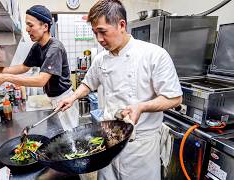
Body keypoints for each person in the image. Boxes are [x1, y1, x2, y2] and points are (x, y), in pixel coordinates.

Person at [56, 0, 183, 179]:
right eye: (95, 33)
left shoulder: (154, 55)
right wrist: (73, 97)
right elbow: (88, 83)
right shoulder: (101, 59)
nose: (99, 39)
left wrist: (141, 107)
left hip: (139, 148)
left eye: (103, 31)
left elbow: (174, 98)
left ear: (121, 25)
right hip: (108, 143)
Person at [0, 5, 79, 131]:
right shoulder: (37, 47)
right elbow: (24, 67)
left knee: (71, 137)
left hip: (64, 99)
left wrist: (6, 77)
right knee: (57, 135)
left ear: (45, 26)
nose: (27, 29)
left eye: (30, 25)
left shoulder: (55, 48)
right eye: (26, 25)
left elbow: (41, 81)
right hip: (52, 98)